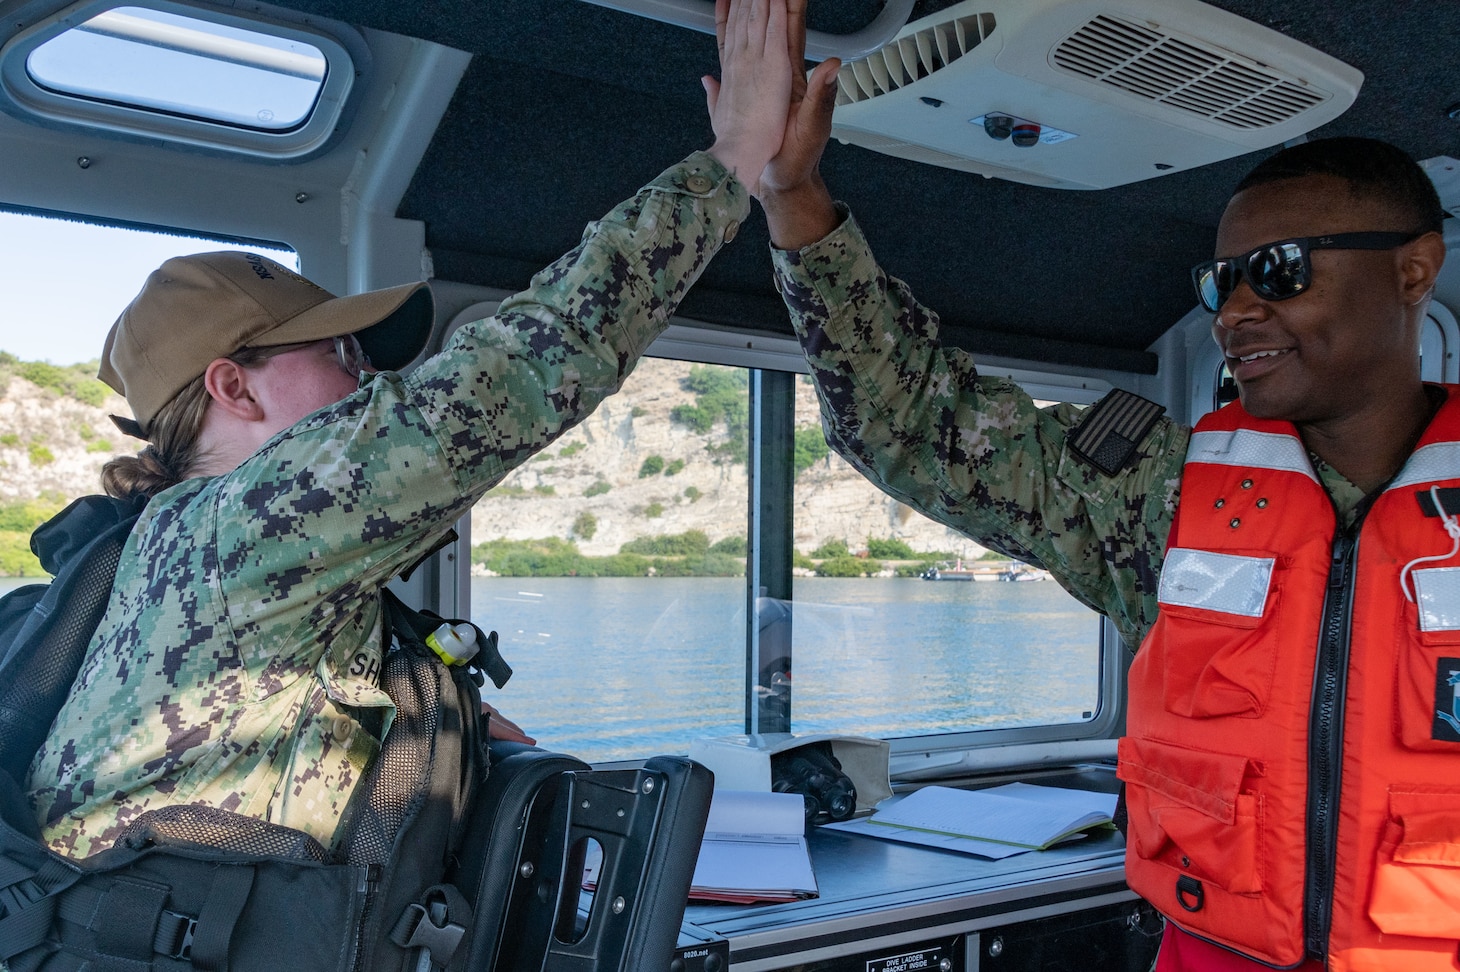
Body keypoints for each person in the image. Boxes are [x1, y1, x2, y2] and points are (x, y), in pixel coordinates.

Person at [734, 5, 1455, 969]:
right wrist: (794, 195)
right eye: (1219, 283)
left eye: (1279, 274)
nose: (1238, 311)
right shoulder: (1163, 496)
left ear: (1415, 272)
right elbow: (914, 421)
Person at [23, 0, 802, 861]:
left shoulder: (186, 545)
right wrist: (735, 156)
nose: (371, 376)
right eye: (342, 351)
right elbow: (528, 362)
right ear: (233, 388)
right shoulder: (249, 527)